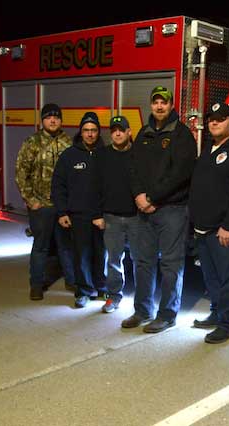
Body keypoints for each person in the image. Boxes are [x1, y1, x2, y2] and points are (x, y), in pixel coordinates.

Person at [123, 86, 197, 332]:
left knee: (170, 264)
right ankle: (142, 311)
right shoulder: (144, 133)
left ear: (171, 105)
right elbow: (132, 169)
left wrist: (152, 197)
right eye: (155, 102)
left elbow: (180, 174)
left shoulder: (181, 134)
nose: (159, 106)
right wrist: (138, 195)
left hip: (172, 210)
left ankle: (167, 314)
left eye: (164, 102)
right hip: (144, 209)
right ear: (151, 105)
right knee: (143, 262)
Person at [188, 102, 229, 344]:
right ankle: (216, 313)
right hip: (203, 227)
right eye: (211, 119)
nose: (214, 122)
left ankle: (227, 324)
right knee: (211, 276)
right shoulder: (209, 147)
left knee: (228, 278)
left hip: (223, 229)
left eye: (220, 119)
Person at [15, 103, 75, 301]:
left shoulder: (68, 142)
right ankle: (37, 285)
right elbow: (21, 173)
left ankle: (72, 281)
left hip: (63, 206)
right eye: (49, 117)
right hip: (41, 206)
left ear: (60, 120)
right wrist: (31, 200)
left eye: (56, 117)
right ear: (42, 120)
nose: (53, 120)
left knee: (65, 245)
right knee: (41, 247)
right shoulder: (32, 142)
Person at [52, 112, 107, 308]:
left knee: (102, 254)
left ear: (98, 132)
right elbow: (58, 186)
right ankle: (83, 291)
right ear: (80, 132)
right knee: (81, 254)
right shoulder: (69, 156)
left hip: (102, 216)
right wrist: (62, 212)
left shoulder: (106, 154)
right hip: (78, 215)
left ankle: (102, 287)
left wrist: (104, 213)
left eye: (93, 130)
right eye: (86, 130)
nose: (90, 134)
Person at [91, 115, 138, 314]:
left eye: (121, 129)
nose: (117, 133)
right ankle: (113, 296)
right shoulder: (102, 155)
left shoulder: (139, 154)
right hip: (110, 217)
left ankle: (142, 301)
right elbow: (94, 186)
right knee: (113, 259)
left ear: (129, 132)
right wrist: (97, 214)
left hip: (137, 217)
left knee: (140, 260)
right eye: (114, 130)